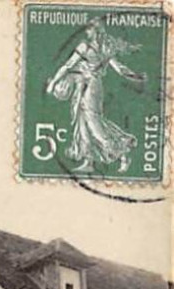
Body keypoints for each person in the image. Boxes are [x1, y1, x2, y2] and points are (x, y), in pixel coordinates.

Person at [46, 19, 146, 174]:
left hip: (90, 86)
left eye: (89, 30)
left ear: (96, 31)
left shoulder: (86, 47)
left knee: (93, 123)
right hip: (88, 85)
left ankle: (122, 154)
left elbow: (68, 65)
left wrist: (54, 83)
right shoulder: (105, 48)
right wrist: (136, 76)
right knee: (82, 121)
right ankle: (88, 161)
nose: (86, 32)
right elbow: (119, 69)